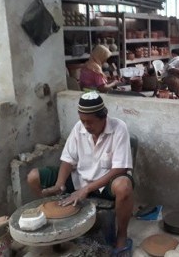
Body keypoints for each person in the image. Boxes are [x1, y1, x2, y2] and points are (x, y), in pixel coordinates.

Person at [27, 91, 134, 256]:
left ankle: (121, 236)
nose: (86, 125)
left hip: (105, 184)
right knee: (33, 176)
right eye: (82, 121)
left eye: (90, 122)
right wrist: (59, 184)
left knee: (124, 186)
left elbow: (120, 168)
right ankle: (54, 222)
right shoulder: (79, 128)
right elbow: (68, 159)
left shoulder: (119, 128)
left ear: (103, 117)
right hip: (79, 178)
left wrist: (86, 190)